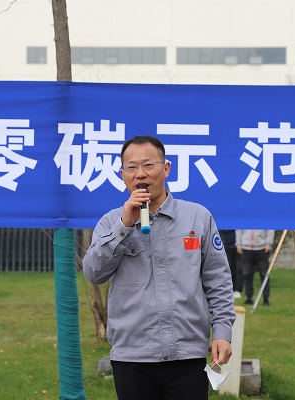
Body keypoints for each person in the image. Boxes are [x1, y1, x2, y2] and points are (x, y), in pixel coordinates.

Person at [83, 135, 235, 400]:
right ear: (122, 175)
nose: (140, 174)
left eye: (148, 165)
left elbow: (218, 281)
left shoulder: (197, 217)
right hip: (132, 357)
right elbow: (94, 273)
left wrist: (222, 332)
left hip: (187, 354)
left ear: (166, 169)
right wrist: (124, 226)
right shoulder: (111, 222)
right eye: (131, 167)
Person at [236, 229, 275, 306]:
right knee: (247, 274)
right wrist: (239, 244)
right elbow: (239, 229)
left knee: (264, 275)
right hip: (246, 247)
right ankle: (249, 297)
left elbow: (270, 228)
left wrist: (268, 244)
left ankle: (265, 298)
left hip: (262, 248)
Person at [219, 230, 242, 299]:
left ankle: (238, 289)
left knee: (239, 268)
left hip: (240, 246)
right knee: (229, 268)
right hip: (228, 245)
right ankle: (230, 288)